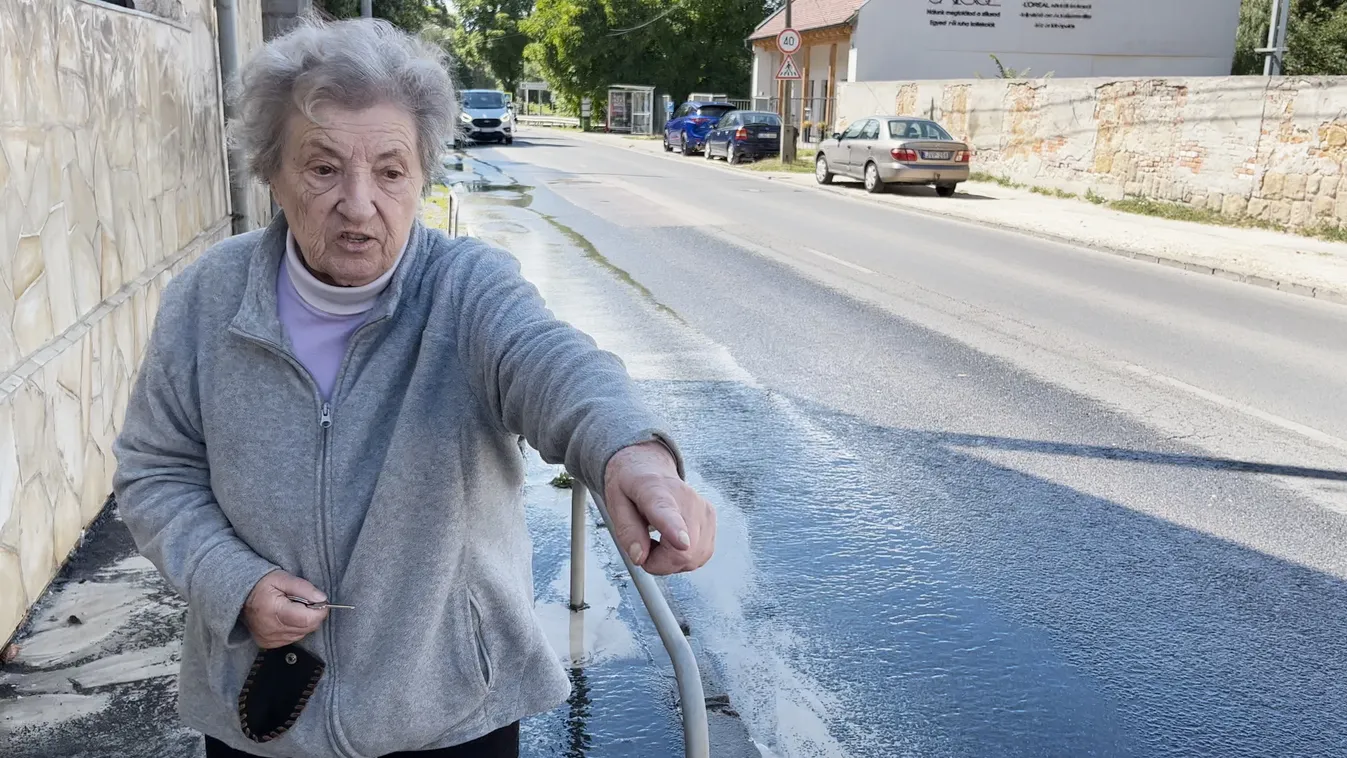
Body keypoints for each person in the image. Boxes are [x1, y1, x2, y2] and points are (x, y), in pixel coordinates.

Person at [112, 17, 715, 758]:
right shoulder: (206, 298)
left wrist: (633, 455)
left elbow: (555, 362)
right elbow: (155, 469)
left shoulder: (466, 291)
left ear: (423, 176)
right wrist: (232, 582)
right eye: (324, 167)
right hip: (262, 713)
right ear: (270, 171)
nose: (360, 204)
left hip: (454, 717)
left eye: (390, 171)